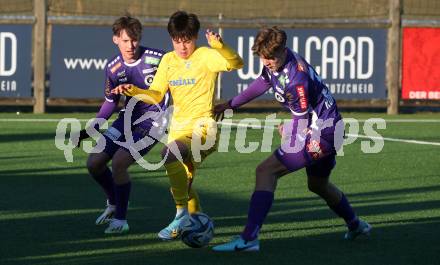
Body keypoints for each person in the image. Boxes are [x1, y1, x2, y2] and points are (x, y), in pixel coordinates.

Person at [212, 27, 371, 252]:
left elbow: (301, 121)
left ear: (283, 51)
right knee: (318, 184)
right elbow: (262, 82)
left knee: (265, 171)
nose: (266, 62)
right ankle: (356, 225)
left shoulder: (296, 80)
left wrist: (289, 131)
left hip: (322, 134)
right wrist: (230, 104)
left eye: (271, 57)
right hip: (330, 128)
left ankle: (248, 239)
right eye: (262, 57)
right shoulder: (279, 60)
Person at [111, 11, 244, 240]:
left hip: (204, 130)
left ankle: (181, 214)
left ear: (196, 37)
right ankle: (195, 223)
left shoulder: (205, 55)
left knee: (170, 154)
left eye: (187, 41)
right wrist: (134, 90)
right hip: (178, 130)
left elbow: (236, 63)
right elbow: (156, 94)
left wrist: (220, 47)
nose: (182, 47)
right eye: (177, 41)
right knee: (183, 181)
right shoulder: (169, 60)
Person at [75, 15, 169, 234]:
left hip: (154, 121)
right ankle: (113, 202)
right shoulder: (113, 68)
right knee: (94, 163)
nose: (131, 45)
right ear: (115, 39)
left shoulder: (159, 59)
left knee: (119, 163)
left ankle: (121, 220)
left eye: (135, 40)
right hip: (126, 119)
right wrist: (92, 128)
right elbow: (110, 103)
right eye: (126, 40)